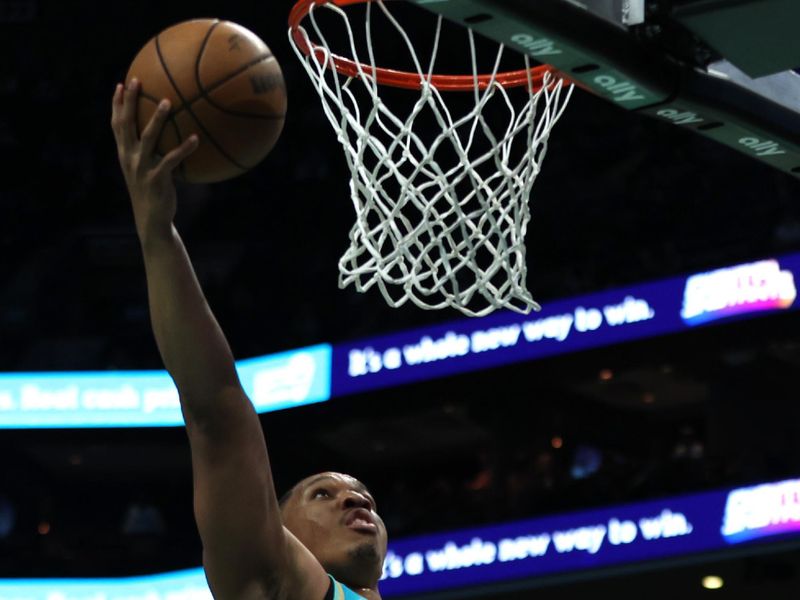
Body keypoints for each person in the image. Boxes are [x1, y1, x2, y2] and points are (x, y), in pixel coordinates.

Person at [111, 78, 387, 600]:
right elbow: (217, 413)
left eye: (363, 495)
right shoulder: (277, 580)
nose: (357, 503)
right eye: (323, 494)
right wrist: (157, 233)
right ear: (274, 531)